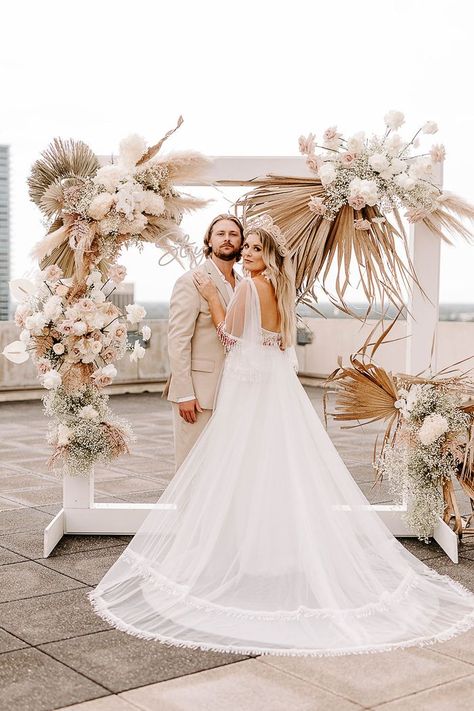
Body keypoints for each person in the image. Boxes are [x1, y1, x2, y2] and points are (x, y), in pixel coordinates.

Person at [89, 215, 474, 657]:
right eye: (240, 243)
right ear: (213, 241)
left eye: (252, 245)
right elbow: (256, 338)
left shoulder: (249, 285)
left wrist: (216, 298)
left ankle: (241, 555)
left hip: (246, 383)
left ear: (266, 253)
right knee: (269, 466)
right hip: (267, 381)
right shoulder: (276, 285)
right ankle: (262, 549)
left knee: (240, 466)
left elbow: (230, 336)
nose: (244, 250)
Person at [163, 214, 243, 469]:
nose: (227, 239)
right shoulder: (191, 281)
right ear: (209, 239)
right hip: (198, 395)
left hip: (233, 393)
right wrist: (185, 392)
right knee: (192, 468)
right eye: (220, 233)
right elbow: (178, 340)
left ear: (241, 243)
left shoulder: (244, 284)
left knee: (222, 471)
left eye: (233, 234)